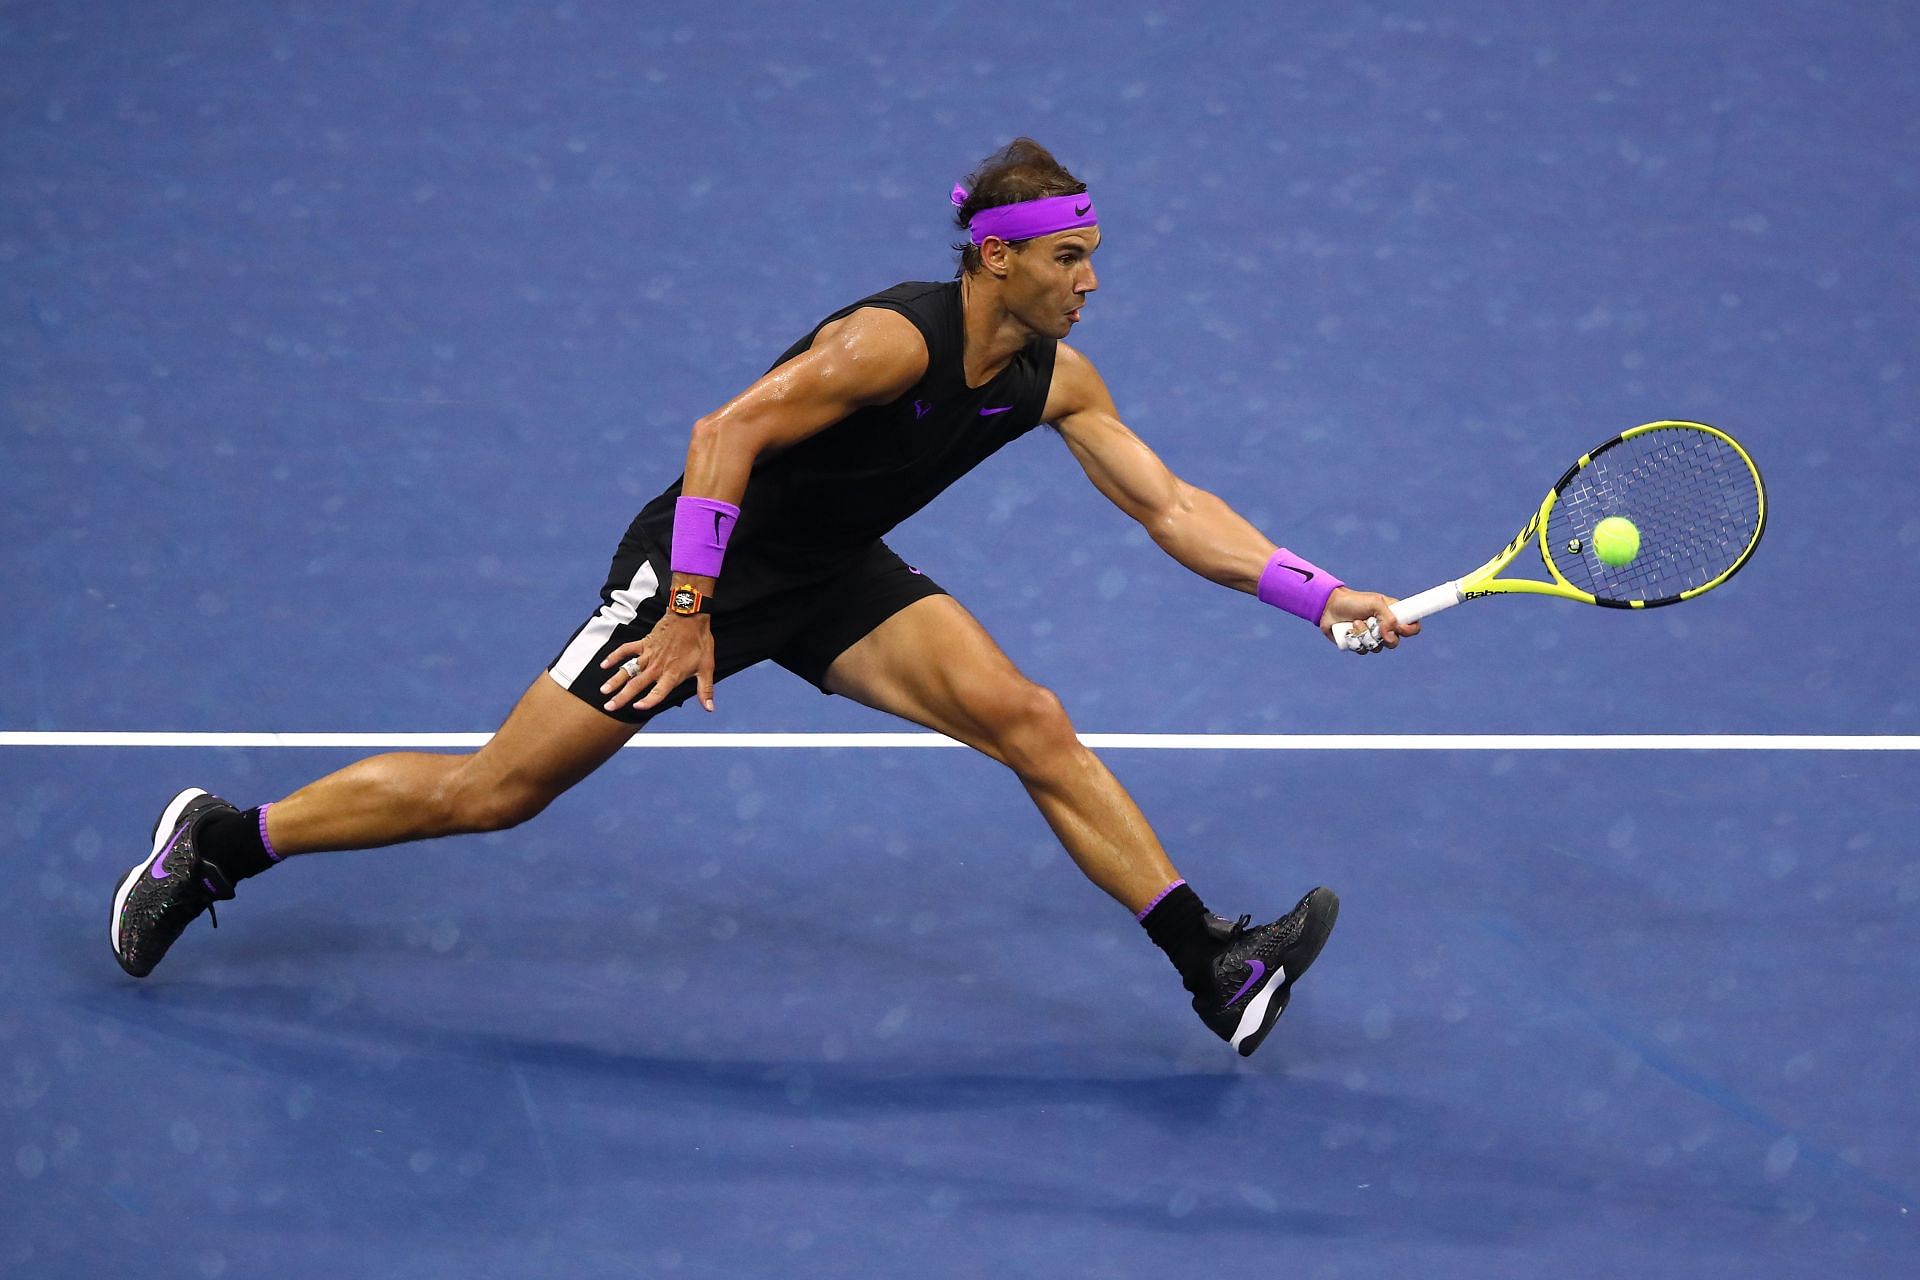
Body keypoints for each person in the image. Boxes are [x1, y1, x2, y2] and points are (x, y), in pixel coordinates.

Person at [110, 138, 1416, 1057]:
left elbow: (1173, 508)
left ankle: (1211, 964)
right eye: (1070, 257)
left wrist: (1320, 597)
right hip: (706, 567)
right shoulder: (889, 341)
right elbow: (720, 436)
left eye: (1093, 255)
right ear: (996, 260)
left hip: (835, 573)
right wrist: (686, 607)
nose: (1090, 280)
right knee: (496, 793)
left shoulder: (1051, 380)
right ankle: (225, 841)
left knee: (1030, 720)